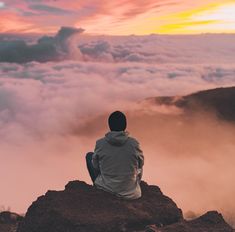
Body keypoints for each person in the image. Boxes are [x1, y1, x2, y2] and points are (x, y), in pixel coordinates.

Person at [86, 111, 144, 199]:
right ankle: (128, 183)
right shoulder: (134, 143)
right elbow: (140, 164)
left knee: (89, 156)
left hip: (106, 189)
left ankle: (98, 185)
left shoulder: (100, 143)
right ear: (125, 126)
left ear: (110, 126)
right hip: (131, 192)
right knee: (138, 162)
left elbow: (96, 166)